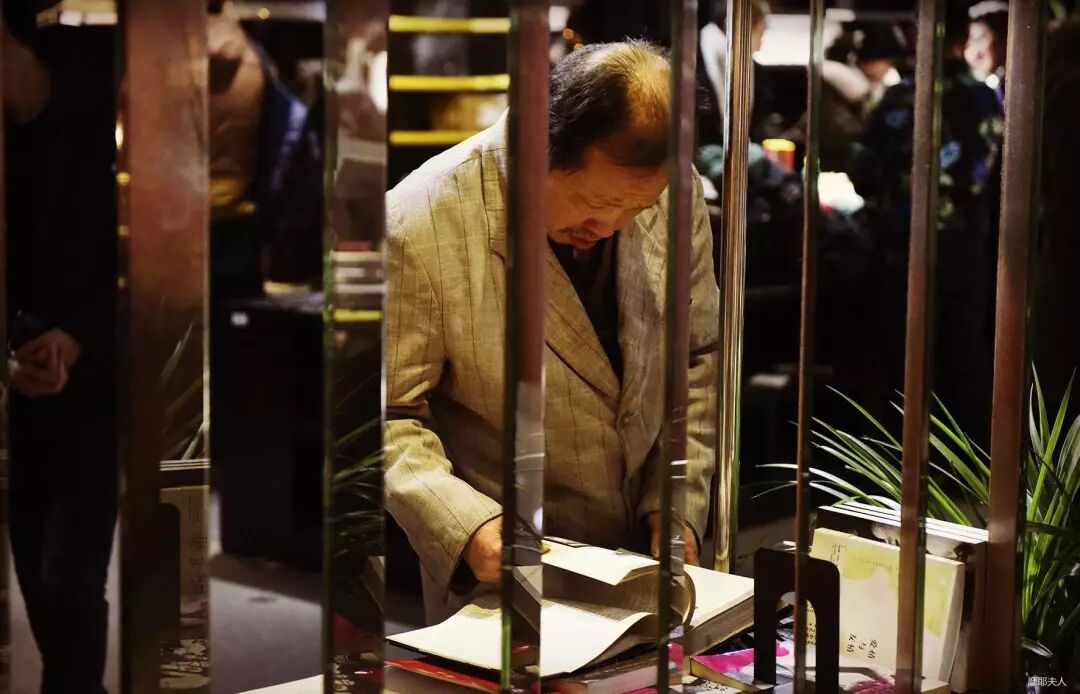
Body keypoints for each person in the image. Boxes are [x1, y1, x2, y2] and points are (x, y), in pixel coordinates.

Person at [384, 41, 719, 620]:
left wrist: (677, 501)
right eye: (594, 201)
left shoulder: (672, 191)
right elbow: (384, 414)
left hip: (648, 564)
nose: (608, 224)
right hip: (507, 575)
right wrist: (466, 525)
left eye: (635, 209)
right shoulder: (418, 222)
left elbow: (698, 356)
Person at [3, 5, 119, 692]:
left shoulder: (100, 97)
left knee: (71, 575)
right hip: (19, 379)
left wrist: (78, 337)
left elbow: (151, 255)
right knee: (36, 574)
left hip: (98, 374)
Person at [853, 2, 1004, 445]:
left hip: (901, 248)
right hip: (964, 251)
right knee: (963, 361)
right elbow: (992, 180)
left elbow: (862, 171)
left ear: (921, 36)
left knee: (900, 359)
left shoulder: (899, 98)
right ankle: (964, 463)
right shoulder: (983, 98)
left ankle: (894, 457)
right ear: (962, 38)